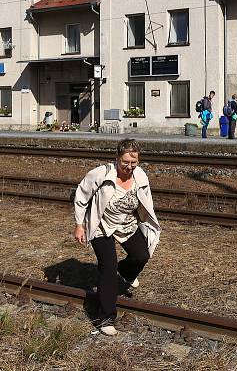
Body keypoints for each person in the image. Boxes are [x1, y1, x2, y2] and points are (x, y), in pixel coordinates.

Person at [73, 138, 161, 336]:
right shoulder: (101, 173)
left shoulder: (140, 176)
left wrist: (147, 223)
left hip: (126, 224)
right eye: (125, 162)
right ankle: (105, 318)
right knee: (108, 268)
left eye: (134, 162)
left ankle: (125, 273)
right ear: (117, 158)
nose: (129, 167)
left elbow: (146, 201)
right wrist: (79, 225)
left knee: (142, 256)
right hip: (100, 226)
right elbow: (81, 195)